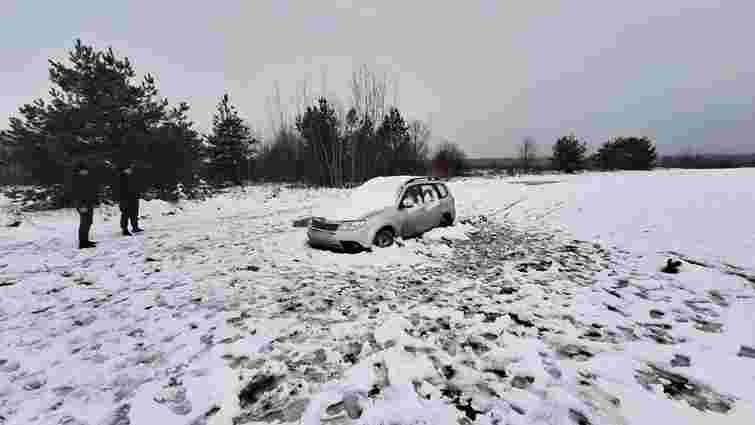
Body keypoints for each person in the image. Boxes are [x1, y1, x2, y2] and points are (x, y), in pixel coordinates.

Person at [71, 161, 99, 249]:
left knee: (88, 222)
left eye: (86, 170)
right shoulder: (76, 179)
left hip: (89, 203)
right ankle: (82, 243)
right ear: (79, 171)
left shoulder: (86, 178)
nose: (86, 171)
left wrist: (95, 201)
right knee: (84, 223)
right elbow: (76, 194)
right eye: (84, 170)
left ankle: (85, 241)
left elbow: (91, 191)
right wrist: (81, 206)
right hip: (82, 205)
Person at [116, 164, 143, 236]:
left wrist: (137, 194)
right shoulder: (120, 177)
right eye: (128, 169)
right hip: (125, 199)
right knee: (125, 214)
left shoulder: (132, 176)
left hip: (134, 198)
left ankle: (135, 227)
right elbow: (118, 190)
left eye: (130, 169)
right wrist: (121, 199)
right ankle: (124, 229)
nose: (130, 170)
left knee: (134, 214)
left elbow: (136, 186)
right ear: (124, 170)